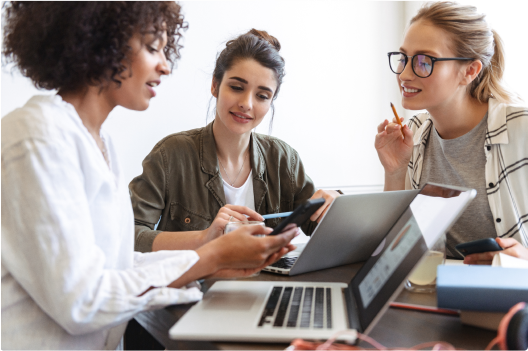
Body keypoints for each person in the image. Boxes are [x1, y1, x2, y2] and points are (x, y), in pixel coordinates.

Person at [0, 2, 297, 350]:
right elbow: (80, 301)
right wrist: (211, 257)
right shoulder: (36, 138)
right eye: (153, 47)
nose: (166, 65)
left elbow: (118, 266)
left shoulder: (98, 141)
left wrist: (209, 257)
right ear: (101, 41)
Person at [130, 29, 340, 253]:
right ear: (215, 85)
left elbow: (326, 232)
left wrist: (336, 206)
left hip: (267, 284)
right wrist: (204, 238)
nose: (247, 104)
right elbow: (129, 235)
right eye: (237, 87)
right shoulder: (170, 155)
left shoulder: (284, 160)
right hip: (195, 286)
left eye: (262, 96)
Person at [374, 1, 527, 260]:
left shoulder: (520, 130)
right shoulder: (414, 133)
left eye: (424, 61)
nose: (404, 74)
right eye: (403, 58)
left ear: (470, 70)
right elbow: (394, 252)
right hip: (432, 294)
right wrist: (395, 172)